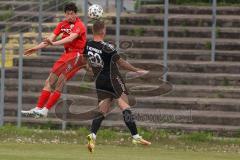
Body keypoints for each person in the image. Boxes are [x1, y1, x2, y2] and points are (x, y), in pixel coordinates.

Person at [84, 20, 151, 153]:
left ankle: (92, 135)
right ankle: (135, 136)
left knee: (102, 110)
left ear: (93, 31)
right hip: (113, 79)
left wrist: (90, 71)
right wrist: (136, 70)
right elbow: (121, 63)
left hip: (100, 81)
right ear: (103, 31)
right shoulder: (107, 47)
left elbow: (86, 63)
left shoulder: (87, 45)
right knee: (125, 106)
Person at [21, 2, 87, 117]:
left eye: (72, 14)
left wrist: (54, 43)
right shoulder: (62, 24)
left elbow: (70, 39)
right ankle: (38, 108)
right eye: (67, 14)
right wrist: (35, 48)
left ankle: (45, 110)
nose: (70, 16)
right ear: (65, 15)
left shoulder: (79, 25)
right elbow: (50, 39)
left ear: (76, 14)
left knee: (60, 82)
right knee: (49, 81)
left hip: (76, 56)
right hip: (66, 56)